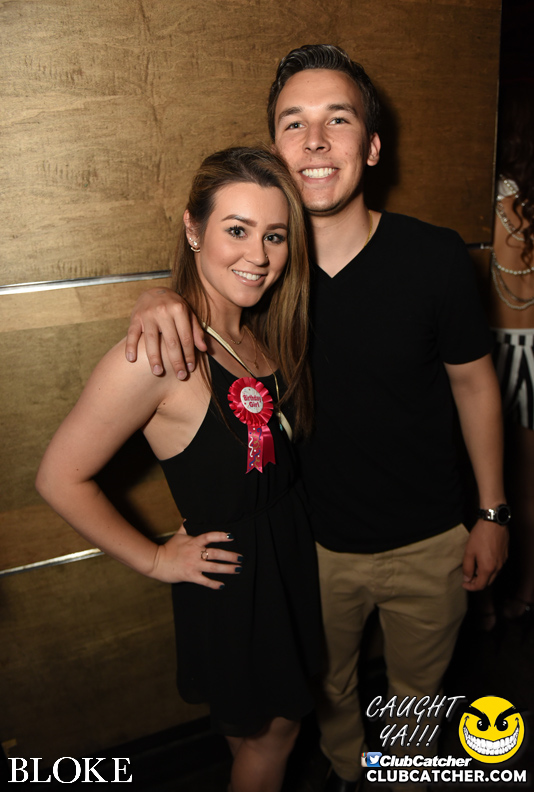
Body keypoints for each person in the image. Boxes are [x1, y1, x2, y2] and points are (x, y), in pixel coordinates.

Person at [123, 46, 509, 791]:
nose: (317, 141)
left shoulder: (433, 256)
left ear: (372, 145)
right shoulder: (263, 274)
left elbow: (475, 385)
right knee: (323, 694)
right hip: (311, 547)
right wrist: (157, 296)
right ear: (276, 151)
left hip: (431, 538)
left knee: (417, 706)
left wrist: (493, 512)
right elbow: (202, 285)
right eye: (294, 123)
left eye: (339, 119)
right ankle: (347, 772)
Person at [36, 146, 323, 792]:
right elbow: (58, 478)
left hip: (283, 562)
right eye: (237, 230)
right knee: (272, 738)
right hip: (236, 580)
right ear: (193, 230)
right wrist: (156, 560)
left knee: (257, 736)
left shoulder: (259, 330)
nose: (258, 255)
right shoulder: (154, 356)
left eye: (274, 236)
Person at [478, 83, 534, 628]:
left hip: (494, 356)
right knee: (528, 487)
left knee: (487, 484)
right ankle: (524, 593)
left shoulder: (488, 201)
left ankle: (488, 603)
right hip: (531, 351)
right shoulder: (525, 207)